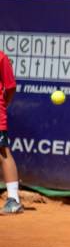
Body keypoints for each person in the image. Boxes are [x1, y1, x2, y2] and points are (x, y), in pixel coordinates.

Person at [0, 50, 23, 214]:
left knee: (3, 153)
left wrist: (4, 104)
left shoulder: (1, 57)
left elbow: (11, 87)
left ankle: (13, 199)